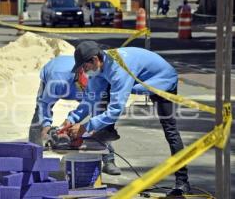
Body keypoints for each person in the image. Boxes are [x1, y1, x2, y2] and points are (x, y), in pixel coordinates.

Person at [63, 41, 191, 196]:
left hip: (162, 80)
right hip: (138, 78)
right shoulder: (99, 70)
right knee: (104, 92)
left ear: (95, 60)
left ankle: (182, 182)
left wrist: (85, 127)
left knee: (170, 130)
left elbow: (116, 110)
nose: (84, 71)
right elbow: (90, 99)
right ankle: (107, 130)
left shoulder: (118, 70)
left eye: (85, 67)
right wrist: (72, 118)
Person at [28, 55, 121, 175]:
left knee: (100, 114)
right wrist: (46, 124)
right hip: (55, 75)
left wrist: (72, 120)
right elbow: (44, 104)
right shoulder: (58, 80)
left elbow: (90, 105)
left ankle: (108, 159)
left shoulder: (96, 79)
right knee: (39, 116)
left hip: (82, 85)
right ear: (78, 79)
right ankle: (33, 157)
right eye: (83, 89)